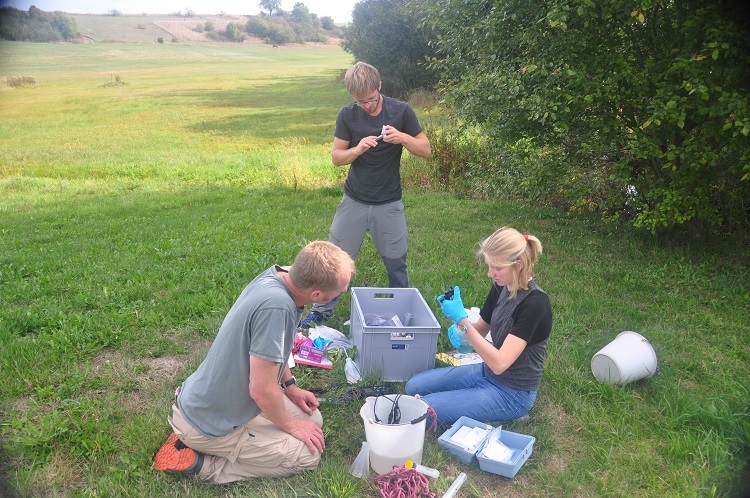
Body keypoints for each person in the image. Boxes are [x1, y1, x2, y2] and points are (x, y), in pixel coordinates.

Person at [153, 241, 355, 483]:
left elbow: (272, 351)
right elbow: (261, 390)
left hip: (213, 402)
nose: (342, 292)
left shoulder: (282, 276)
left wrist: (290, 387)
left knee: (312, 419)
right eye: (340, 290)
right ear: (317, 296)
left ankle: (194, 436)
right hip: (208, 424)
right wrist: (290, 426)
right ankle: (200, 464)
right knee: (306, 455)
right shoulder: (276, 308)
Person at [299, 61, 432, 328]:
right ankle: (321, 312)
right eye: (361, 102)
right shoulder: (347, 115)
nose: (367, 106)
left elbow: (426, 150)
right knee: (333, 261)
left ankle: (404, 311)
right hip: (354, 201)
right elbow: (337, 158)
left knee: (396, 261)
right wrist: (357, 149)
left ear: (379, 87)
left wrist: (402, 138)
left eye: (370, 100)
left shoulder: (401, 111)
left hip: (389, 202)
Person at [405, 227, 552, 427]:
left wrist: (463, 322)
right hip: (486, 372)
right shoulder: (502, 287)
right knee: (413, 386)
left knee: (423, 411)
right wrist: (462, 335)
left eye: (497, 268)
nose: (490, 274)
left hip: (512, 392)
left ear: (519, 265)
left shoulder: (535, 305)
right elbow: (481, 329)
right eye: (489, 266)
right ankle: (480, 406)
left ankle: (508, 415)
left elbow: (500, 363)